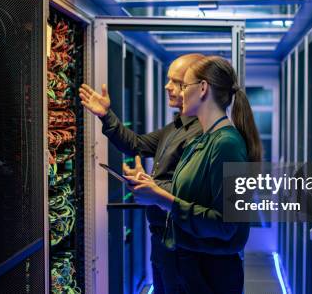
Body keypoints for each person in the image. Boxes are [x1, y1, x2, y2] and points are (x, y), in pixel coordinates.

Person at [125, 56, 261, 293]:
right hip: (189, 266)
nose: (178, 93)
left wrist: (159, 198)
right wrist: (150, 186)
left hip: (209, 275)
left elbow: (226, 225)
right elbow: (191, 196)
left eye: (184, 86)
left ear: (203, 88)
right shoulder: (204, 139)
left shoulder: (226, 144)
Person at [78, 53, 204, 294]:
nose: (167, 86)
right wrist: (106, 115)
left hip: (182, 244)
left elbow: (191, 192)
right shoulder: (177, 125)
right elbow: (136, 145)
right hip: (162, 240)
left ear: (199, 87)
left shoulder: (201, 133)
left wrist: (150, 186)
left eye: (176, 82)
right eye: (168, 79)